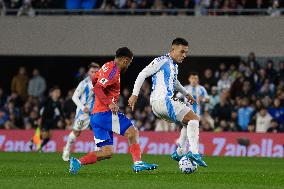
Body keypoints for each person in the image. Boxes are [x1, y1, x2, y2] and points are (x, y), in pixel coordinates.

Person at [69, 47, 157, 174]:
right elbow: (98, 88)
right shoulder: (113, 71)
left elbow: (94, 81)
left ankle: (78, 162)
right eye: (129, 62)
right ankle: (138, 163)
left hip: (95, 116)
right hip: (105, 113)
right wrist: (109, 102)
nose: (129, 65)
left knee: (107, 152)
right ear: (125, 60)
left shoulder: (106, 66)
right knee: (132, 133)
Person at [128, 38, 207, 167]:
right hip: (163, 101)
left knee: (188, 122)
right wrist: (134, 94)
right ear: (173, 49)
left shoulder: (174, 66)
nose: (184, 55)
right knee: (194, 119)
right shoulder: (162, 60)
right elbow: (142, 73)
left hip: (160, 105)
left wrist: (187, 94)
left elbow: (175, 83)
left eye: (186, 52)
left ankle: (180, 152)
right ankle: (193, 152)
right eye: (182, 52)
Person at [62, 63, 100, 161]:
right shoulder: (84, 83)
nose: (94, 73)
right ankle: (67, 149)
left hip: (96, 110)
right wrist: (83, 107)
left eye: (96, 72)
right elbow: (74, 97)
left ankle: (98, 149)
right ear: (88, 72)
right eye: (92, 72)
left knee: (99, 127)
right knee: (77, 132)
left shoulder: (102, 82)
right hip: (83, 112)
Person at [175, 72, 209, 157]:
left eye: (195, 78)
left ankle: (179, 152)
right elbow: (176, 98)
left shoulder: (201, 89)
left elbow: (208, 99)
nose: (194, 80)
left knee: (186, 132)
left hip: (196, 114)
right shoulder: (185, 88)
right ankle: (193, 152)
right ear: (189, 79)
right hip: (186, 114)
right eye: (192, 78)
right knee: (193, 132)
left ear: (198, 80)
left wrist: (203, 100)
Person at [30, 87, 63, 151]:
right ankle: (31, 142)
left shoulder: (58, 102)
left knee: (49, 136)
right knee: (45, 135)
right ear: (52, 93)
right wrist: (39, 118)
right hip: (44, 119)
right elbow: (41, 108)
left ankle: (39, 147)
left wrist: (60, 120)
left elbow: (59, 112)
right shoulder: (47, 100)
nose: (58, 93)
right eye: (56, 92)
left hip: (52, 120)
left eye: (59, 92)